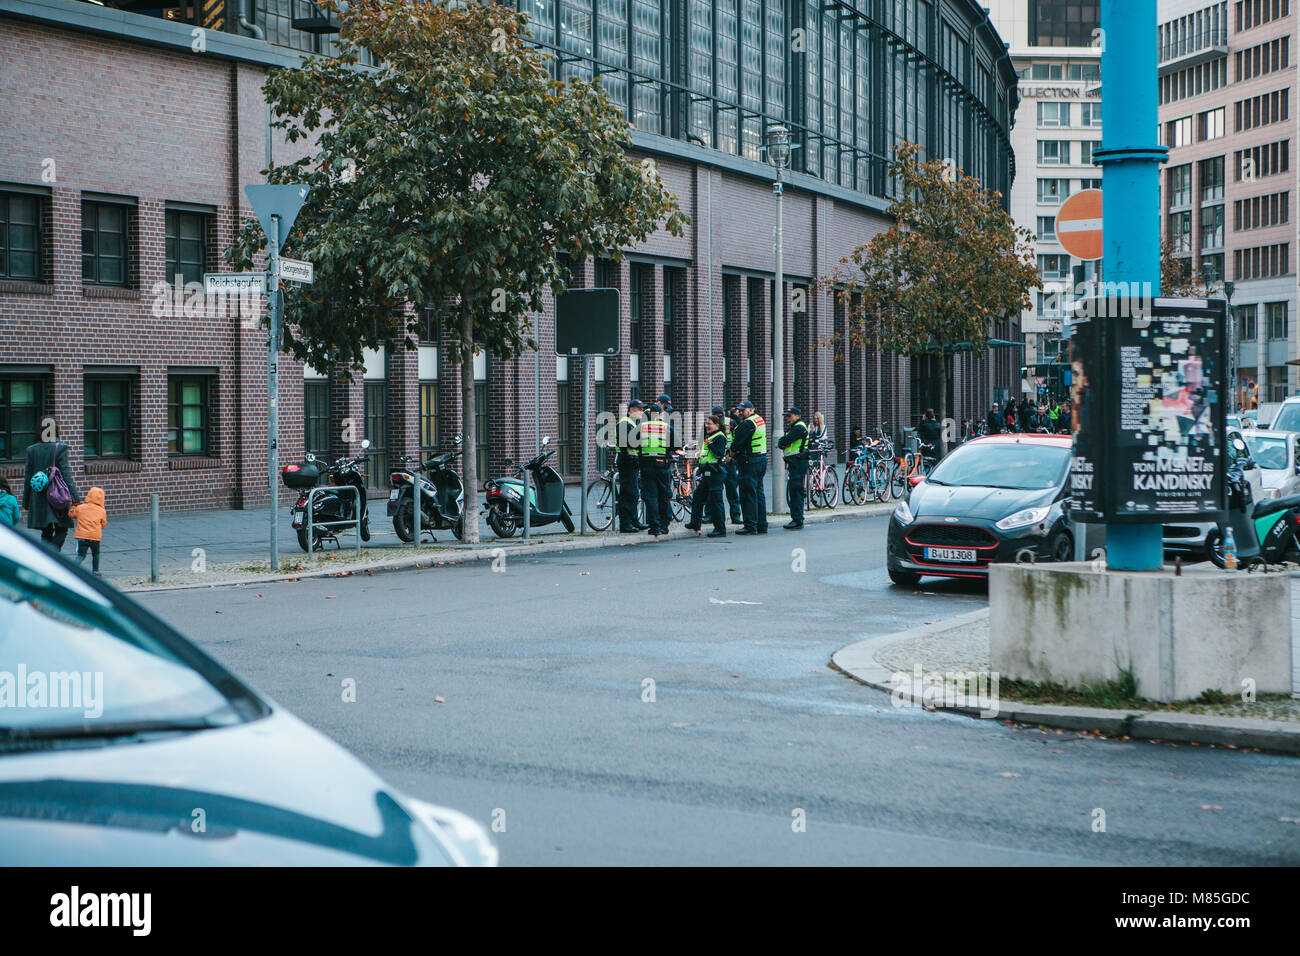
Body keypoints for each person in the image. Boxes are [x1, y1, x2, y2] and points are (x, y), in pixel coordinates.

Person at [23, 427, 80, 552]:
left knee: (46, 531)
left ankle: (48, 557)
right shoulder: (60, 448)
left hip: (39, 497)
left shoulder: (31, 450)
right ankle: (53, 557)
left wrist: (26, 501)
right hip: (58, 496)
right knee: (62, 528)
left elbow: (28, 477)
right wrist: (76, 499)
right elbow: (66, 475)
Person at [638, 402, 677, 537]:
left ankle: (654, 527)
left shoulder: (641, 427)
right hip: (663, 466)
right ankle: (664, 526)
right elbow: (676, 445)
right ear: (660, 414)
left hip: (646, 465)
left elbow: (632, 443)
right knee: (663, 496)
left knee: (650, 497)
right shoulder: (667, 428)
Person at [685, 414, 728, 537]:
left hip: (716, 472)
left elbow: (719, 453)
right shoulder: (709, 436)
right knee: (698, 497)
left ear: (717, 425)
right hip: (707, 472)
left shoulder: (719, 437)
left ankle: (720, 529)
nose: (707, 425)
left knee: (716, 501)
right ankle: (695, 523)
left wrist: (710, 444)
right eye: (706, 423)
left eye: (709, 423)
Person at [729, 399, 768, 535]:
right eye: (739, 410)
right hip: (761, 459)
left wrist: (730, 455)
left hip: (749, 462)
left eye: (743, 410)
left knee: (747, 494)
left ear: (751, 410)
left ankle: (750, 525)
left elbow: (738, 443)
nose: (740, 412)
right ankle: (762, 525)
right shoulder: (759, 420)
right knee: (758, 493)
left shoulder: (747, 424)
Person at [615, 399, 646, 533]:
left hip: (632, 460)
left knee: (633, 493)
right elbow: (626, 443)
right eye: (640, 409)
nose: (642, 412)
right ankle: (625, 524)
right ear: (632, 409)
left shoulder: (631, 423)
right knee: (628, 493)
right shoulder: (624, 423)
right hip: (627, 460)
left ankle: (634, 521)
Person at [777, 407, 810, 530]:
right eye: (786, 416)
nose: (787, 418)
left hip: (798, 462)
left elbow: (785, 440)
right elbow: (783, 442)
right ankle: (796, 518)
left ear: (796, 415)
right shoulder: (795, 427)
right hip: (795, 462)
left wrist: (782, 441)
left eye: (789, 416)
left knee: (796, 491)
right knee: (794, 490)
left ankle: (797, 519)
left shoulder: (799, 427)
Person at [69, 485, 108, 576]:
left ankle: (73, 569)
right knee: (96, 554)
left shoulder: (81, 508)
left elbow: (71, 515)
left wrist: (73, 507)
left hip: (82, 537)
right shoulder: (102, 511)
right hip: (95, 537)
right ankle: (95, 571)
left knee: (81, 555)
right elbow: (103, 523)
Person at [722, 405, 743, 524]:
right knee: (713, 492)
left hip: (729, 461)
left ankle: (735, 516)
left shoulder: (731, 423)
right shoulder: (708, 425)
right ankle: (710, 515)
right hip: (717, 462)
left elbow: (736, 440)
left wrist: (732, 455)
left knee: (732, 491)